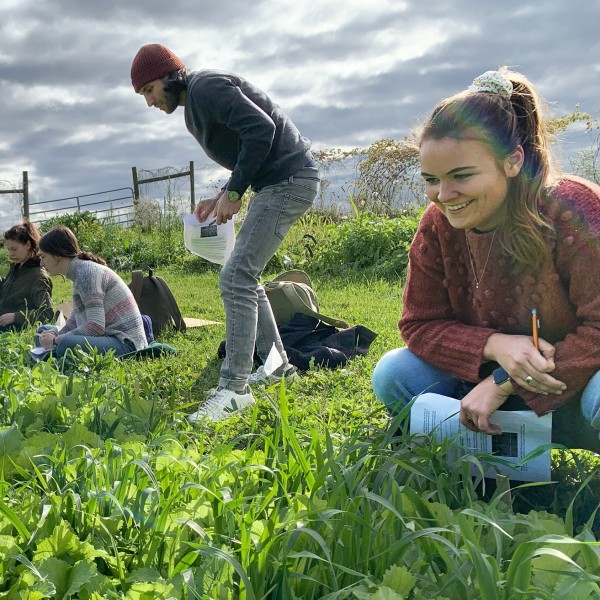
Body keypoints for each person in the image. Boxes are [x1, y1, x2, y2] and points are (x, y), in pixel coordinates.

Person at [372, 68, 600, 445]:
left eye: (461, 175)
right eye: (431, 179)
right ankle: (491, 446)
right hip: (480, 388)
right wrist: (496, 346)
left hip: (573, 391)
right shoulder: (437, 225)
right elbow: (419, 324)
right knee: (394, 373)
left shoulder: (573, 209)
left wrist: (506, 382)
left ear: (512, 162)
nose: (444, 195)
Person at [130, 43, 320, 422]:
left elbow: (261, 129)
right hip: (277, 182)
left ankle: (234, 389)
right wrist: (222, 195)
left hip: (289, 180)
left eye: (148, 90)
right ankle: (278, 366)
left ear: (169, 75)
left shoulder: (206, 87)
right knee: (244, 276)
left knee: (236, 276)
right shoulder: (195, 103)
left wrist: (235, 193)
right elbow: (248, 149)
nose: (149, 102)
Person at [35, 226, 147, 358]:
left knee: (65, 343)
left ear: (57, 255)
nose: (41, 263)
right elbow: (74, 320)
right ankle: (55, 349)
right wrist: (54, 333)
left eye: (43, 257)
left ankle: (55, 350)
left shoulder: (86, 274)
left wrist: (56, 340)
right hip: (106, 335)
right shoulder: (79, 273)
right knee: (43, 332)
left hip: (126, 343)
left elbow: (95, 327)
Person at [0, 220, 53, 331]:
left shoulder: (38, 276)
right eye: (9, 250)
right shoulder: (17, 267)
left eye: (14, 249)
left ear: (28, 245)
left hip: (13, 329)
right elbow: (10, 292)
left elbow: (47, 313)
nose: (11, 254)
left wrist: (15, 317)